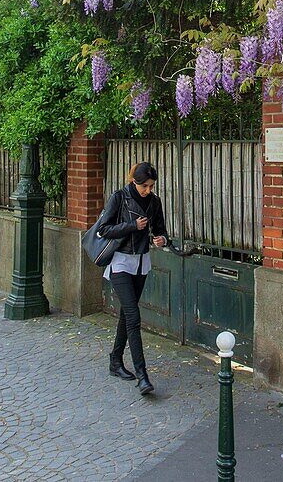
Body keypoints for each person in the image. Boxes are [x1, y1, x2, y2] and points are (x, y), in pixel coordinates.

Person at [99, 160, 169, 395]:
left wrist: (161, 239)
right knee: (134, 316)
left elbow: (160, 229)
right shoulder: (119, 197)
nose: (148, 190)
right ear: (133, 181)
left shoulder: (154, 201)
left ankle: (115, 361)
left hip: (141, 263)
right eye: (145, 186)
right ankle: (142, 376)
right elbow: (103, 229)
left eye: (151, 186)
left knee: (126, 314)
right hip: (120, 262)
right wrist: (132, 225)